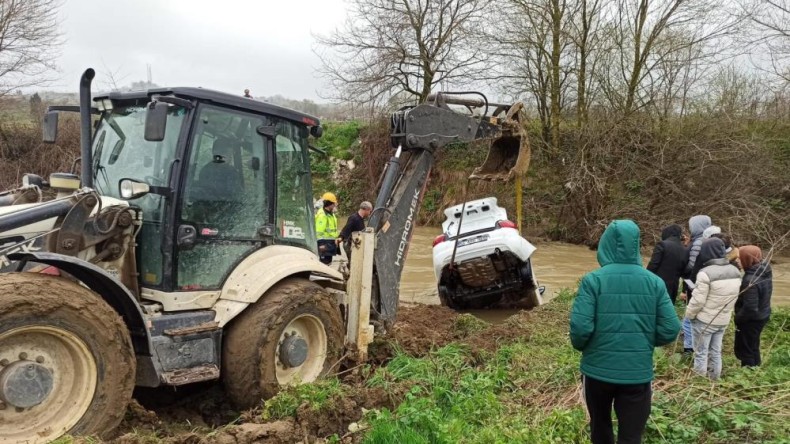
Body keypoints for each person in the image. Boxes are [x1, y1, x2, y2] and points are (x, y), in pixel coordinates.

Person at [571, 220, 680, 444]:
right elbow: (671, 328)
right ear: (636, 245)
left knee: (600, 426)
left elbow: (581, 328)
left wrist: (587, 347)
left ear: (606, 245)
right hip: (637, 374)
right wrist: (645, 342)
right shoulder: (655, 283)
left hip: (596, 373)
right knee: (631, 436)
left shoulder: (593, 280)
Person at [685, 238, 741, 380]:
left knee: (701, 353)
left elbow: (697, 301)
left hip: (704, 320)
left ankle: (699, 382)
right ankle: (714, 379)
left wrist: (689, 315)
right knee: (716, 351)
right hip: (723, 319)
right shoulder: (735, 271)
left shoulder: (705, 273)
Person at [734, 245, 772, 367]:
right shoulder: (764, 270)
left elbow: (750, 307)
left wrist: (738, 318)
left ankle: (748, 372)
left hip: (751, 320)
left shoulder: (750, 279)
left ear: (747, 259)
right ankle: (756, 369)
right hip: (763, 314)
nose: (738, 261)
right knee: (753, 345)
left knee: (746, 350)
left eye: (740, 258)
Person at [680, 215, 712, 354]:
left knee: (690, 315)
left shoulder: (698, 242)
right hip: (705, 284)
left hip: (694, 284)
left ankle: (689, 349)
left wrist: (681, 270)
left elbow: (692, 266)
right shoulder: (708, 240)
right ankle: (698, 346)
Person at [647, 224, 688, 305]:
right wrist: (684, 289)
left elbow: (653, 265)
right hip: (673, 288)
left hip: (657, 285)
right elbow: (685, 272)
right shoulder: (684, 249)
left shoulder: (662, 244)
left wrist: (645, 280)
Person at [315, 192, 339, 264]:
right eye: (333, 203)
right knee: (324, 263)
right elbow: (319, 231)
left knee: (328, 262)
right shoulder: (322, 215)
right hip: (324, 244)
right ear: (329, 203)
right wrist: (321, 244)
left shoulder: (331, 214)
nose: (335, 205)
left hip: (330, 243)